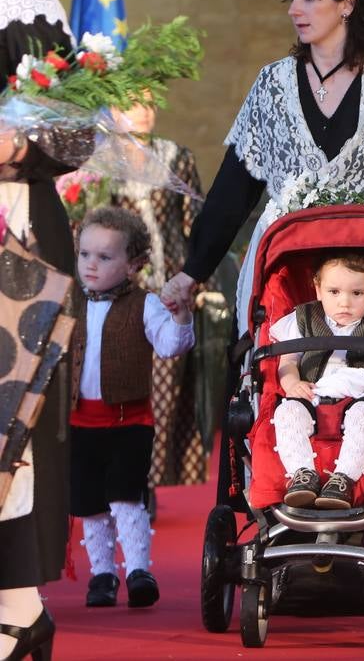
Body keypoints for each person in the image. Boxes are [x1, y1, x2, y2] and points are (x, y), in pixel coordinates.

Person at [160, 0, 364, 506]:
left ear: (346, 4)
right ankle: (267, 496)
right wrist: (191, 273)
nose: (296, 9)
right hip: (284, 259)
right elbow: (231, 192)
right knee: (265, 375)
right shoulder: (272, 85)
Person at [0, 0, 83, 659]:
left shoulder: (21, 5)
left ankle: (18, 607)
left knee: (8, 427)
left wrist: (18, 145)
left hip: (15, 245)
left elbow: (83, 134)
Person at [70, 207, 196, 609]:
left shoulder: (144, 304)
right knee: (90, 502)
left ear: (134, 265)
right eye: (85, 254)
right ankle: (102, 574)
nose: (91, 264)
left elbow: (171, 346)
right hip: (79, 421)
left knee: (126, 495)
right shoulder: (70, 303)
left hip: (130, 421)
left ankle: (139, 569)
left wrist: (181, 317)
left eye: (105, 257)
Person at [109, 99, 211, 495]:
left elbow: (195, 224)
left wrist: (200, 282)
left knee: (165, 392)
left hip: (170, 286)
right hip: (124, 291)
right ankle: (121, 474)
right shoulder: (103, 164)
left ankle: (146, 485)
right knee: (126, 382)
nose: (144, 111)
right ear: (115, 111)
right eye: (134, 103)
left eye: (150, 104)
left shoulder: (176, 156)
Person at [269, 251, 364, 511]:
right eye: (334, 292)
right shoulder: (302, 319)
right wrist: (292, 385)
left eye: (357, 294)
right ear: (318, 289)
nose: (345, 303)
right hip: (312, 394)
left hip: (361, 398)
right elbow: (286, 361)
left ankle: (343, 479)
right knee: (287, 411)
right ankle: (302, 474)